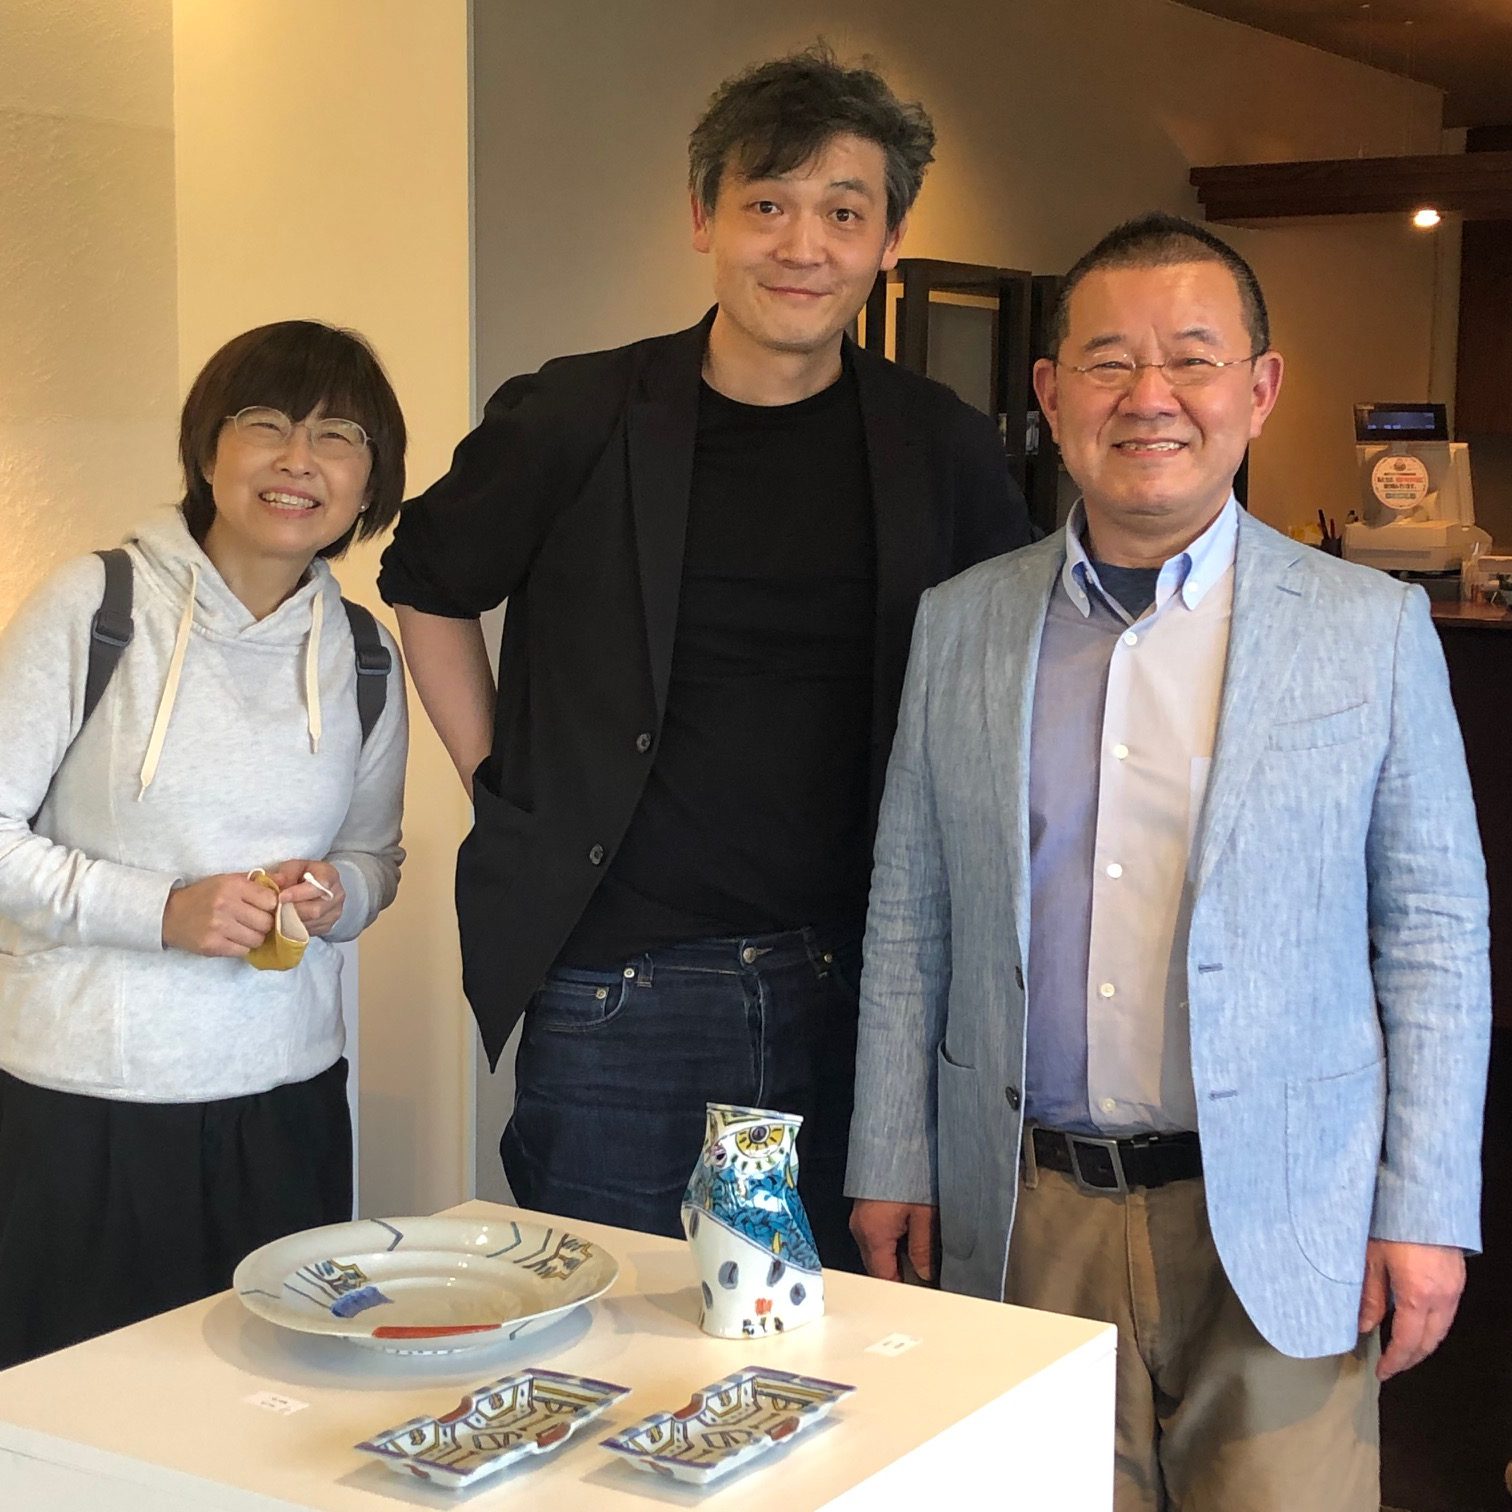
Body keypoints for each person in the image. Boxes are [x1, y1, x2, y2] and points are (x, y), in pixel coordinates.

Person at [846, 212, 1489, 1510]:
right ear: (1049, 396)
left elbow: (1433, 931)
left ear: (1260, 388)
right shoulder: (961, 625)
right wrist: (891, 1155)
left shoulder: (1370, 629)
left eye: (1193, 359)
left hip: (1290, 1213)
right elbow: (912, 912)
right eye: (1109, 362)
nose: (1151, 397)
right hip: (1029, 1211)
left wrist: (1425, 1204)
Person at [378, 45, 1029, 1267]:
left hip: (853, 987)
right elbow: (426, 580)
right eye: (766, 205)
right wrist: (501, 787)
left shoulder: (933, 441)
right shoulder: (579, 413)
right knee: (604, 1327)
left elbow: (1012, 646)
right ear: (704, 218)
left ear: (890, 240)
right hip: (621, 986)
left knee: (816, 1339)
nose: (803, 246)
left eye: (844, 213)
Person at [0, 320, 409, 1369]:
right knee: (78, 1410)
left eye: (338, 436)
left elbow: (376, 859)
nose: (298, 460)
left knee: (275, 1407)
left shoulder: (365, 652)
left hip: (286, 1106)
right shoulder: (97, 605)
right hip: (86, 1106)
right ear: (207, 450)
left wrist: (338, 893)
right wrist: (163, 911)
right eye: (266, 424)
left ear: (370, 482)